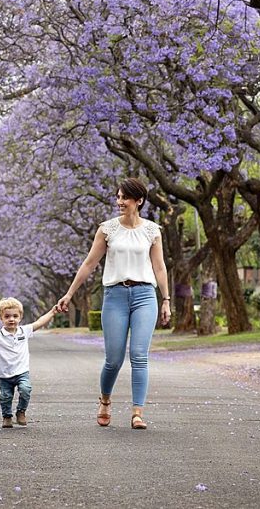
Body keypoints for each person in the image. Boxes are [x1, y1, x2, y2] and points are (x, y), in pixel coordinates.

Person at [56, 177, 171, 430]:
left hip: (144, 296)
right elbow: (89, 264)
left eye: (124, 198)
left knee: (139, 356)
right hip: (115, 296)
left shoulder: (152, 231)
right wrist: (69, 293)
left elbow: (159, 267)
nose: (119, 202)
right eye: (118, 197)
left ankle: (137, 412)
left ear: (138, 201)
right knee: (114, 359)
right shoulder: (107, 229)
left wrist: (166, 300)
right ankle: (105, 400)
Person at [0, 297, 57, 428]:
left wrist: (52, 312)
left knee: (26, 390)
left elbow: (39, 322)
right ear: (1, 318)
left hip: (22, 372)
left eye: (15, 316)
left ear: (20, 317)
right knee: (5, 397)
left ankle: (21, 412)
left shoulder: (24, 331)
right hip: (4, 375)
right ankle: (7, 416)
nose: (11, 319)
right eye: (7, 316)